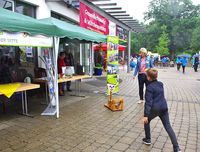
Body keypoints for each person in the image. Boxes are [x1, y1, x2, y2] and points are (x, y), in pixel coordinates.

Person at [143, 68, 181, 152]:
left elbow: (148, 103)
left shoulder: (149, 87)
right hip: (164, 107)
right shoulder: (161, 84)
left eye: (147, 76)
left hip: (155, 109)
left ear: (148, 78)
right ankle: (176, 148)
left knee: (146, 121)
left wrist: (146, 115)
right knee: (168, 127)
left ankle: (148, 139)